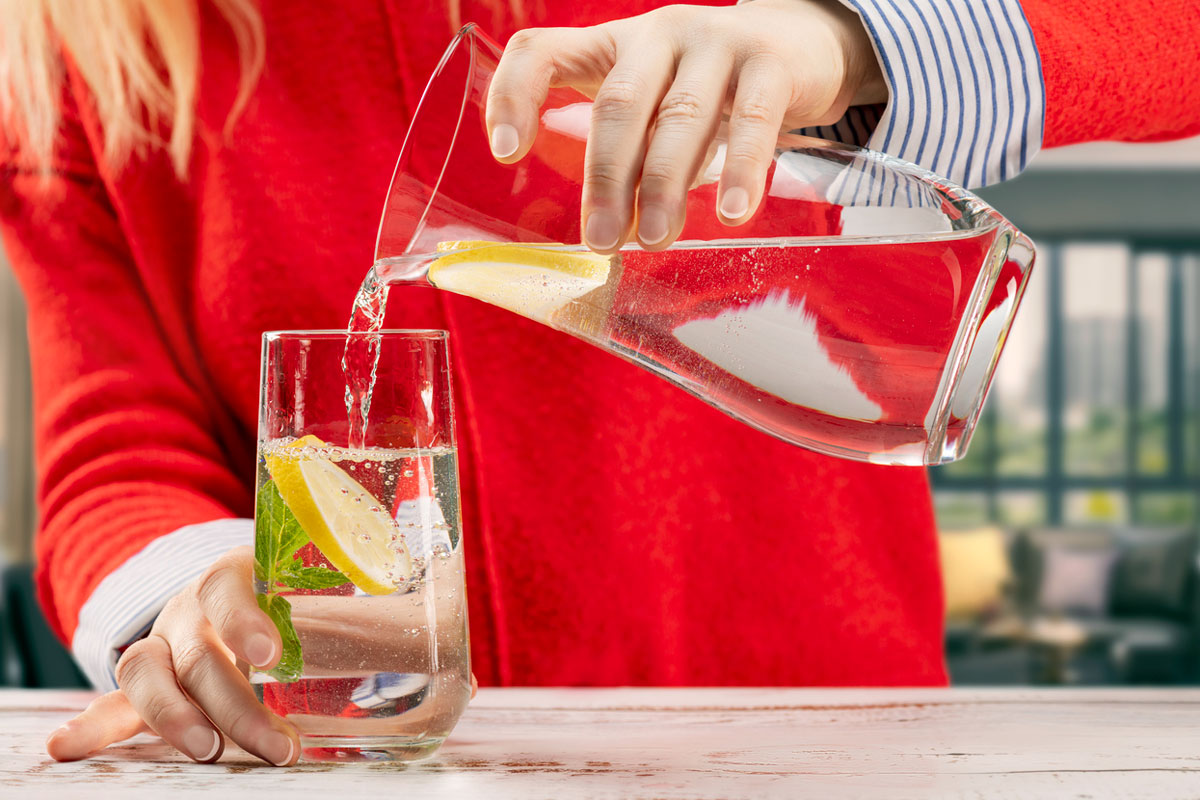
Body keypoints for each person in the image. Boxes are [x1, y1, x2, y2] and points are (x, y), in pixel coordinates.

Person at [1, 0, 1196, 768]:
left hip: (825, 747)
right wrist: (185, 595)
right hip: (375, 764)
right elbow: (116, 442)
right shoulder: (84, 49)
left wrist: (841, 39)